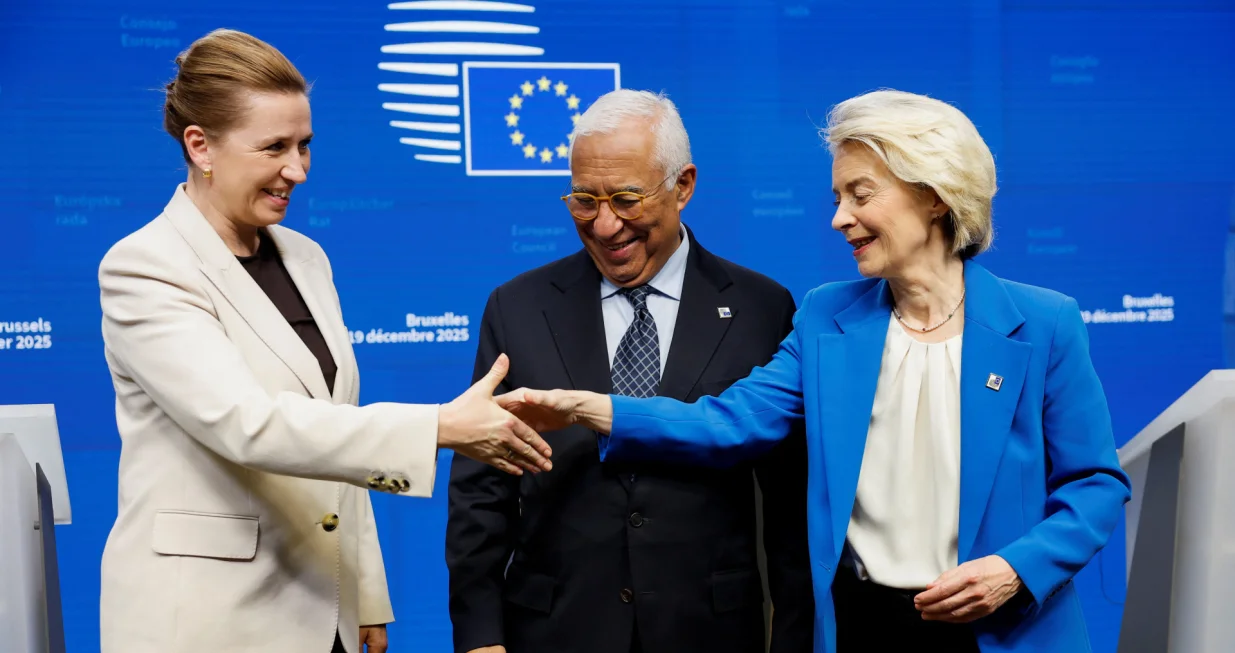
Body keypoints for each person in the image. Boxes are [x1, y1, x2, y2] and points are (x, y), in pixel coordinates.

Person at [499, 89, 1132, 652]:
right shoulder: (827, 318)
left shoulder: (1043, 323)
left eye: (861, 194)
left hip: (1001, 628)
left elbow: (1096, 485)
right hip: (862, 625)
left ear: (934, 196)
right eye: (837, 197)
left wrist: (1016, 570)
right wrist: (587, 407)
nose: (839, 218)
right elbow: (728, 420)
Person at [97, 29, 551, 653]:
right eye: (274, 148)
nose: (298, 170)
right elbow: (247, 424)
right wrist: (438, 427)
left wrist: (363, 594)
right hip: (205, 621)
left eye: (305, 145)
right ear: (200, 146)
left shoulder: (306, 258)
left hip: (321, 611)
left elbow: (334, 429)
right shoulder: (145, 266)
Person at [445, 89, 815, 653]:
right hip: (553, 630)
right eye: (583, 201)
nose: (605, 225)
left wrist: (793, 637)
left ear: (683, 186)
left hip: (711, 631)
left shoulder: (762, 307)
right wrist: (478, 637)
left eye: (626, 198)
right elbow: (481, 494)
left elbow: (792, 505)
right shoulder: (518, 307)